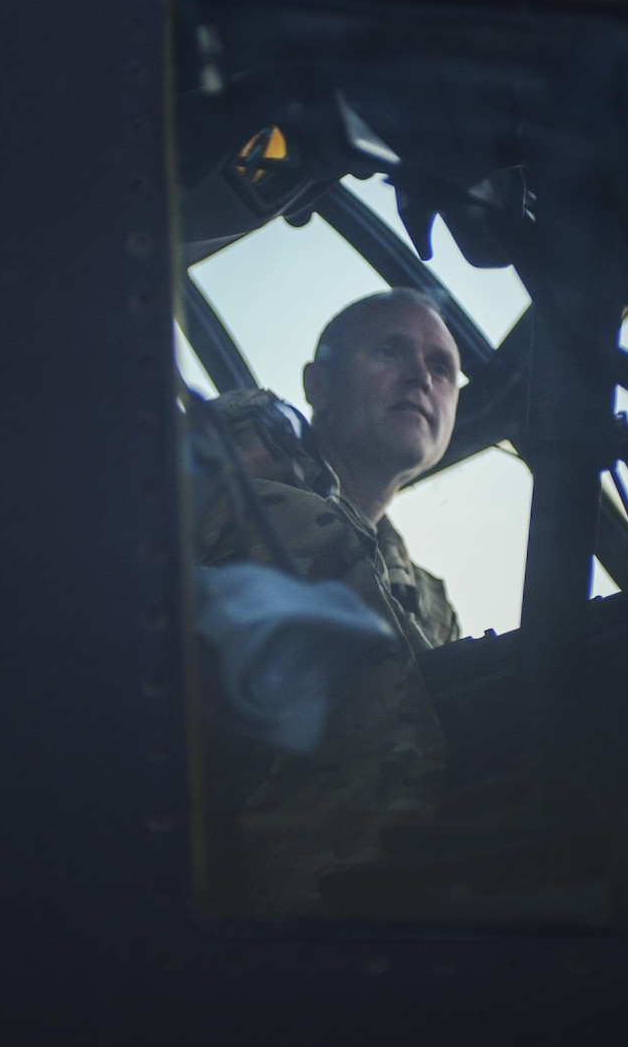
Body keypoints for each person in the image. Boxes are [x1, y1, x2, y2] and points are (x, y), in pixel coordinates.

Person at [197, 288, 463, 917]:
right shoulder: (242, 449)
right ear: (317, 383)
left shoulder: (424, 597)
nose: (420, 377)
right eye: (389, 350)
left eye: (441, 368)